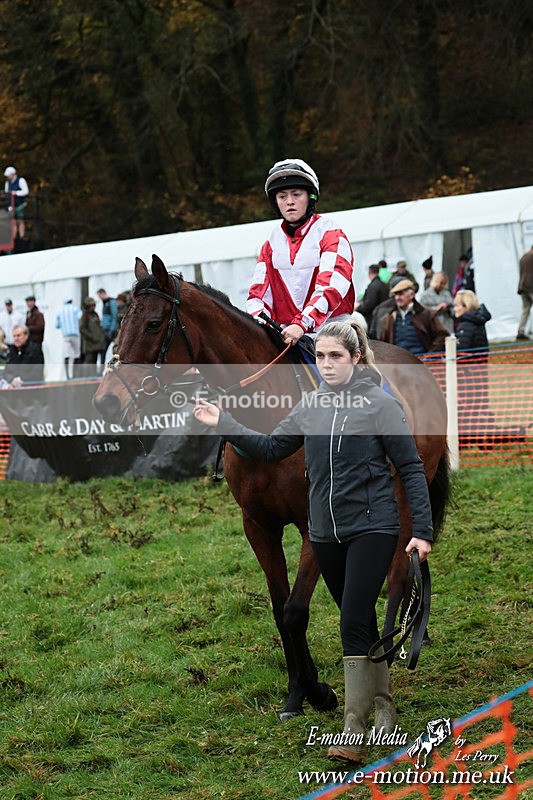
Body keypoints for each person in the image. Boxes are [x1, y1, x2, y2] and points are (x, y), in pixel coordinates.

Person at [193, 320, 433, 764]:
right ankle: (384, 709)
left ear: (356, 357)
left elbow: (412, 469)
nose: (327, 364)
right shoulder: (310, 405)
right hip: (325, 534)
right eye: (320, 357)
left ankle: (353, 729)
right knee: (356, 621)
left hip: (372, 528)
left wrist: (420, 531)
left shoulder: (381, 405)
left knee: (350, 624)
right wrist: (222, 421)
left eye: (336, 356)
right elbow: (269, 447)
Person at [246, 158, 355, 346]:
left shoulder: (331, 234)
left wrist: (302, 324)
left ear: (310, 197)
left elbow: (331, 288)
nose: (289, 202)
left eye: (296, 194)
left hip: (333, 330)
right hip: (287, 334)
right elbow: (257, 297)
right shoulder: (269, 245)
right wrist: (264, 326)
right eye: (282, 197)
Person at [378, 279, 448, 355]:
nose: (397, 298)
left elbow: (442, 335)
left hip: (420, 363)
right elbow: (383, 344)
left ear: (412, 295)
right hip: (397, 364)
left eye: (401, 294)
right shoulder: (389, 318)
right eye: (396, 294)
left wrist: (430, 355)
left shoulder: (426, 314)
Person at [355, 265, 390, 329]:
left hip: (373, 319)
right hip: (384, 317)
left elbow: (369, 303)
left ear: (369, 272)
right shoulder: (384, 285)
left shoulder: (372, 286)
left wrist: (358, 308)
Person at [55, 297, 82, 379]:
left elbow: (57, 325)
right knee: (77, 354)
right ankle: (75, 375)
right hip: (75, 334)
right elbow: (80, 317)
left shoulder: (60, 311)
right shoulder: (75, 309)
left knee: (66, 355)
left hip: (66, 335)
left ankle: (67, 376)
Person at [79, 297, 106, 367]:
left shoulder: (95, 314)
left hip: (97, 343)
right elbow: (82, 328)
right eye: (92, 305)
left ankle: (94, 376)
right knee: (89, 362)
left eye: (94, 305)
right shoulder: (85, 315)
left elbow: (98, 326)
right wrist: (91, 336)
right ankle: (87, 377)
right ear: (87, 306)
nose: (93, 307)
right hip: (89, 344)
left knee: (95, 361)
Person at [3, 166, 29, 240]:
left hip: (20, 204)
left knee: (20, 221)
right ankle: (13, 239)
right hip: (12, 205)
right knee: (13, 222)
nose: (7, 177)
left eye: (9, 175)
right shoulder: (7, 183)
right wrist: (9, 206)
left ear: (13, 174)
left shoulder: (21, 180)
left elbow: (26, 191)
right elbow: (7, 194)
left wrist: (16, 193)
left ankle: (21, 237)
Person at [516, 245, 533, 341]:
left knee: (525, 310)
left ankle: (520, 331)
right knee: (525, 309)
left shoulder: (524, 256)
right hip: (531, 286)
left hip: (522, 286)